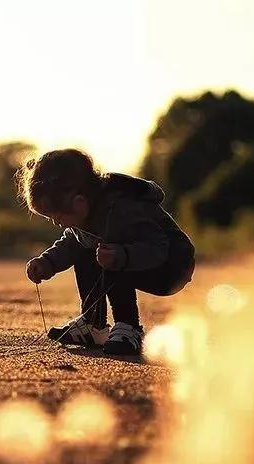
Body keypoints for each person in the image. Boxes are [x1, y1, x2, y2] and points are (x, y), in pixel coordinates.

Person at [20, 149, 195, 355]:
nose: (56, 222)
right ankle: (92, 325)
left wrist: (122, 256)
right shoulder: (84, 215)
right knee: (87, 249)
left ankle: (128, 328)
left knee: (110, 252)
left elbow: (158, 247)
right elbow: (71, 243)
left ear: (79, 202)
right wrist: (47, 262)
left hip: (171, 267)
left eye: (56, 216)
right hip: (137, 256)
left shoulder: (122, 208)